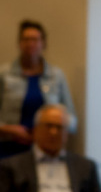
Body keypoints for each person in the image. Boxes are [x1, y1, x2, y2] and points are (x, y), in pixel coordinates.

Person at [0, 20, 77, 159]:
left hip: (46, 150)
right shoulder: (4, 74)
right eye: (26, 39)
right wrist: (8, 129)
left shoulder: (56, 76)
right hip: (9, 148)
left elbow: (72, 121)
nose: (30, 44)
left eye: (35, 39)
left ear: (43, 43)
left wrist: (52, 126)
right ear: (19, 43)